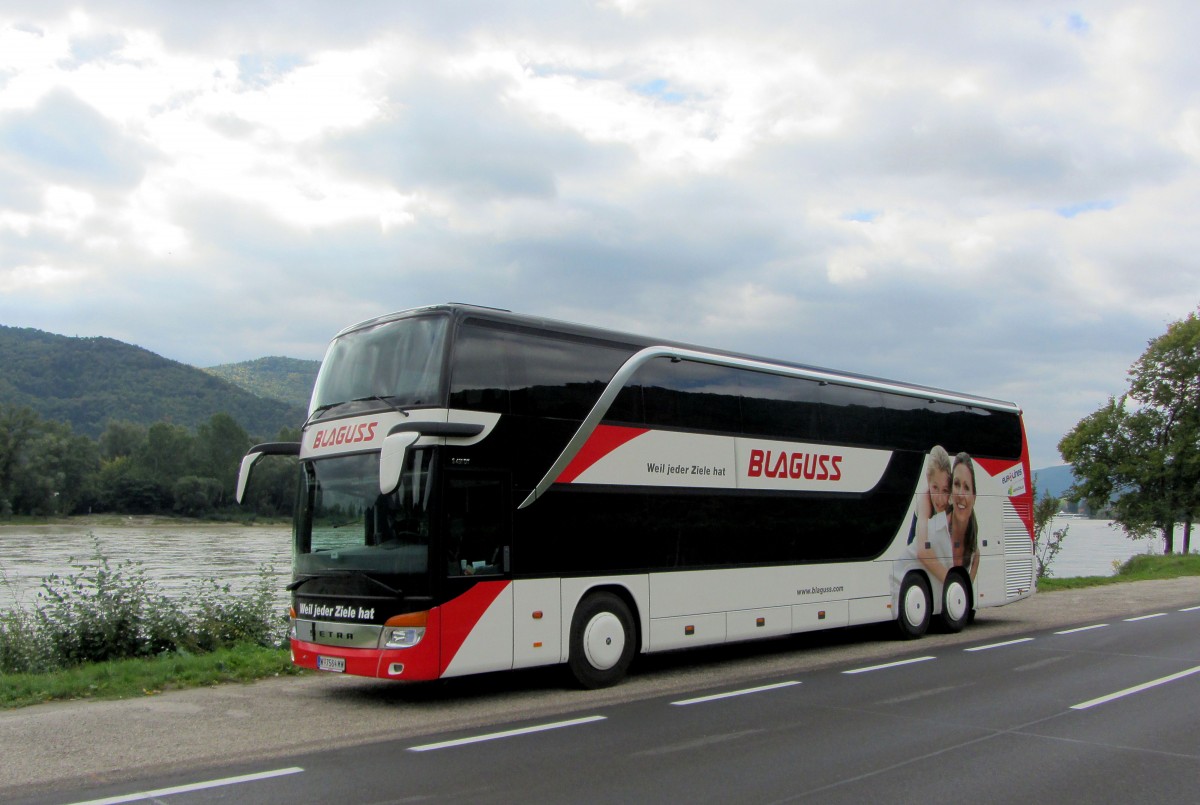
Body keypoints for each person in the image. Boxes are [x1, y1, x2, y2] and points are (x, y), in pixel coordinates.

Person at [915, 446, 954, 583]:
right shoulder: (924, 500)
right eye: (935, 488)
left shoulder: (952, 503)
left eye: (945, 490)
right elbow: (922, 551)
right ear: (927, 479)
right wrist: (952, 581)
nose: (940, 499)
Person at [950, 451, 980, 581]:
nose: (961, 495)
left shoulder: (974, 550)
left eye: (966, 487)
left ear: (974, 497)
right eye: (956, 484)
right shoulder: (938, 531)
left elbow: (968, 591)